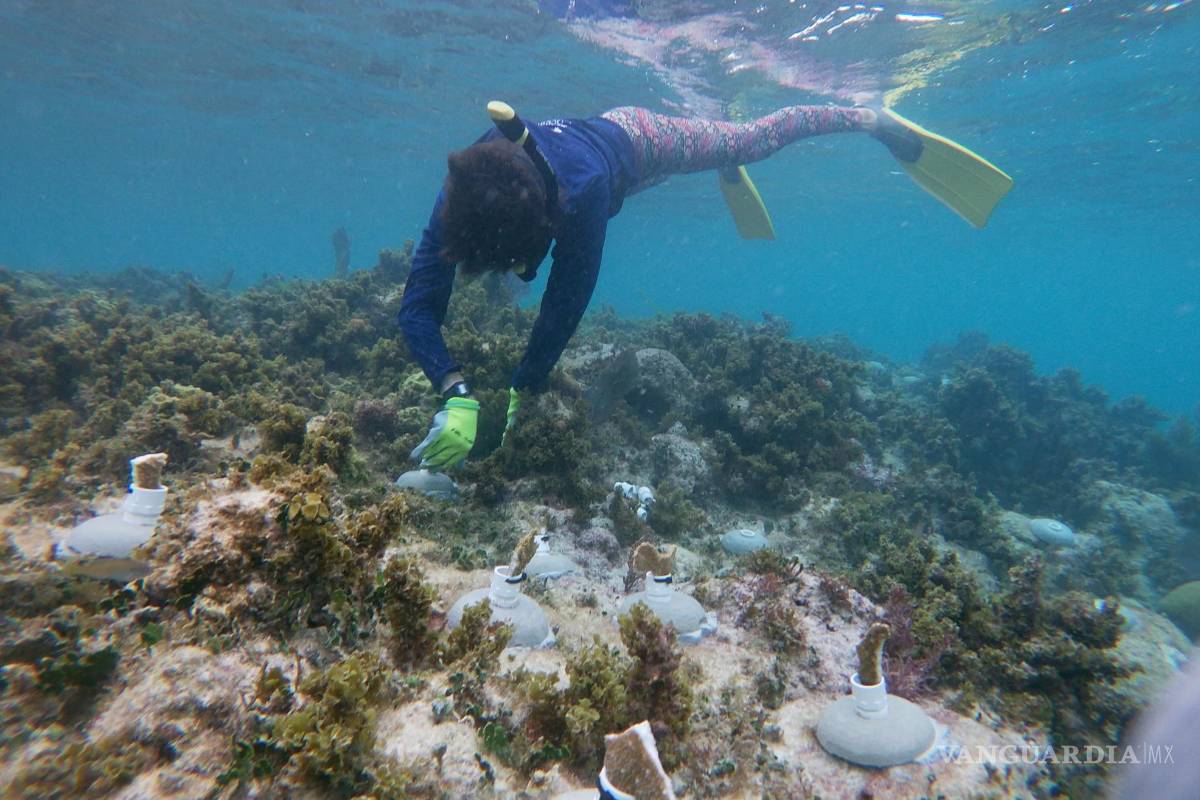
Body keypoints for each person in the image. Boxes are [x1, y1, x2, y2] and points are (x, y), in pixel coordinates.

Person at [398, 102, 1009, 470]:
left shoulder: (581, 196)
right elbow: (417, 306)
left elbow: (564, 303)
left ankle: (868, 119)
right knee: (649, 177)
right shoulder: (464, 188)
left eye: (516, 264)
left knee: (748, 140)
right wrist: (455, 391)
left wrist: (524, 386)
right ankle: (718, 154)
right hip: (603, 171)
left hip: (637, 140)